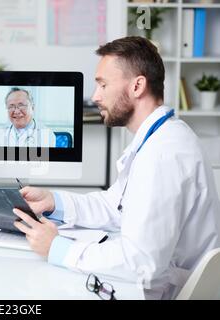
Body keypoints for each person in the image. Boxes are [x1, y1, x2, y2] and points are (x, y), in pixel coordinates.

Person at [12, 36, 220, 300]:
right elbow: (115, 206)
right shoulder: (158, 139)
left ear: (137, 86)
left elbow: (142, 263)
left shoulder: (164, 153)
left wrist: (58, 248)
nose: (95, 96)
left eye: (103, 84)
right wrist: (54, 202)